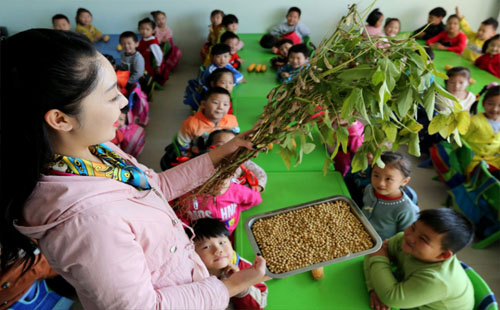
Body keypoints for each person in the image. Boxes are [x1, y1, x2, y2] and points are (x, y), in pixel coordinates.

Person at [0, 29, 269, 310]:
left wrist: (221, 154)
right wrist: (230, 287)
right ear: (61, 119)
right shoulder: (89, 224)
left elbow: (155, 185)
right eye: (109, 95)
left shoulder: (96, 150)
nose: (124, 101)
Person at [364, 208, 474, 310]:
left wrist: (379, 257)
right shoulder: (405, 241)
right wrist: (374, 288)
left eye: (423, 239)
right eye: (413, 228)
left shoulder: (436, 280)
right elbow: (371, 253)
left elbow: (391, 298)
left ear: (443, 255)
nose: (409, 237)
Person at [186, 218, 268, 309]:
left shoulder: (242, 265)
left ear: (230, 242)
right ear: (193, 252)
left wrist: (242, 286)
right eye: (206, 247)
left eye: (222, 242)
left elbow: (259, 305)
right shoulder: (190, 276)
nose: (218, 250)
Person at [361, 152, 419, 241]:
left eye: (388, 179)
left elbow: (405, 237)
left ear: (404, 181)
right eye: (376, 175)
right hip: (359, 232)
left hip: (381, 246)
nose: (380, 183)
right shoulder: (369, 189)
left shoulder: (406, 209)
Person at [176, 87, 240, 155]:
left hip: (227, 155)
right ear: (203, 104)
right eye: (215, 103)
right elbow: (183, 145)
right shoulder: (191, 124)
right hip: (201, 157)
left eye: (225, 104)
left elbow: (236, 140)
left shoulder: (232, 120)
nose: (220, 107)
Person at [201, 129, 267, 192]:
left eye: (233, 144)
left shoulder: (241, 161)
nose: (228, 148)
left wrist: (251, 189)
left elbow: (260, 174)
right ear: (209, 147)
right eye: (221, 145)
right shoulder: (206, 163)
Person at [462, 85, 500, 177]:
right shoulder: (475, 121)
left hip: (495, 161)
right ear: (483, 103)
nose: (495, 109)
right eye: (490, 104)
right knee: (489, 177)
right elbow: (462, 140)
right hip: (475, 161)